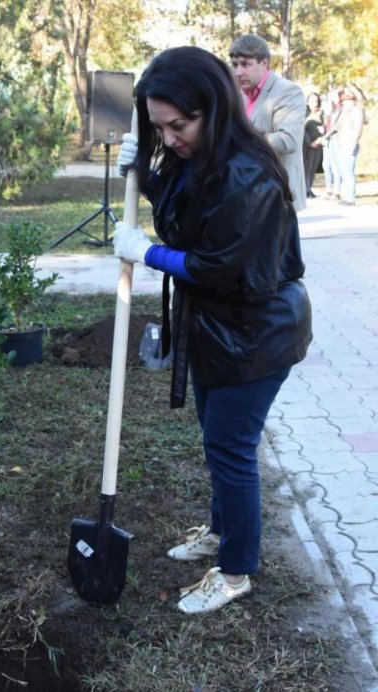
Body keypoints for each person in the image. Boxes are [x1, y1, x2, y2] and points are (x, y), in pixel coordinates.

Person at [113, 46, 312, 614]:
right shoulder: (199, 157)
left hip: (256, 335)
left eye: (181, 124)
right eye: (160, 127)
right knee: (216, 438)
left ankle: (235, 570)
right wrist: (146, 176)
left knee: (231, 449)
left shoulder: (246, 175)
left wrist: (149, 254)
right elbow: (188, 210)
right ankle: (223, 532)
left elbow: (221, 267)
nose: (171, 137)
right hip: (218, 328)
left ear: (215, 109)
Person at [229, 34, 307, 211]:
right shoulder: (239, 94)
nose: (238, 72)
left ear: (264, 63)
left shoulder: (287, 91)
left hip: (277, 196)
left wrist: (242, 138)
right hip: (245, 194)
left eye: (245, 64)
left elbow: (289, 140)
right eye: (235, 65)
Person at [334, 84, 366, 206]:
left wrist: (354, 143)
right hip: (342, 145)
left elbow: (358, 129)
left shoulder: (357, 111)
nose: (346, 103)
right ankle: (346, 196)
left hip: (350, 145)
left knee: (348, 172)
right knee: (343, 171)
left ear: (353, 101)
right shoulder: (344, 113)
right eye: (345, 101)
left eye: (349, 101)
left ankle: (350, 198)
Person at [302, 92, 325, 198]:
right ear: (307, 102)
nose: (314, 103)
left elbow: (326, 127)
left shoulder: (322, 114)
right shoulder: (303, 113)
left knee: (313, 168)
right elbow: (302, 130)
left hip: (319, 144)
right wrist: (309, 143)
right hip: (307, 144)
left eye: (316, 100)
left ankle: (309, 188)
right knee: (306, 168)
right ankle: (305, 189)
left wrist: (321, 138)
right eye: (311, 100)